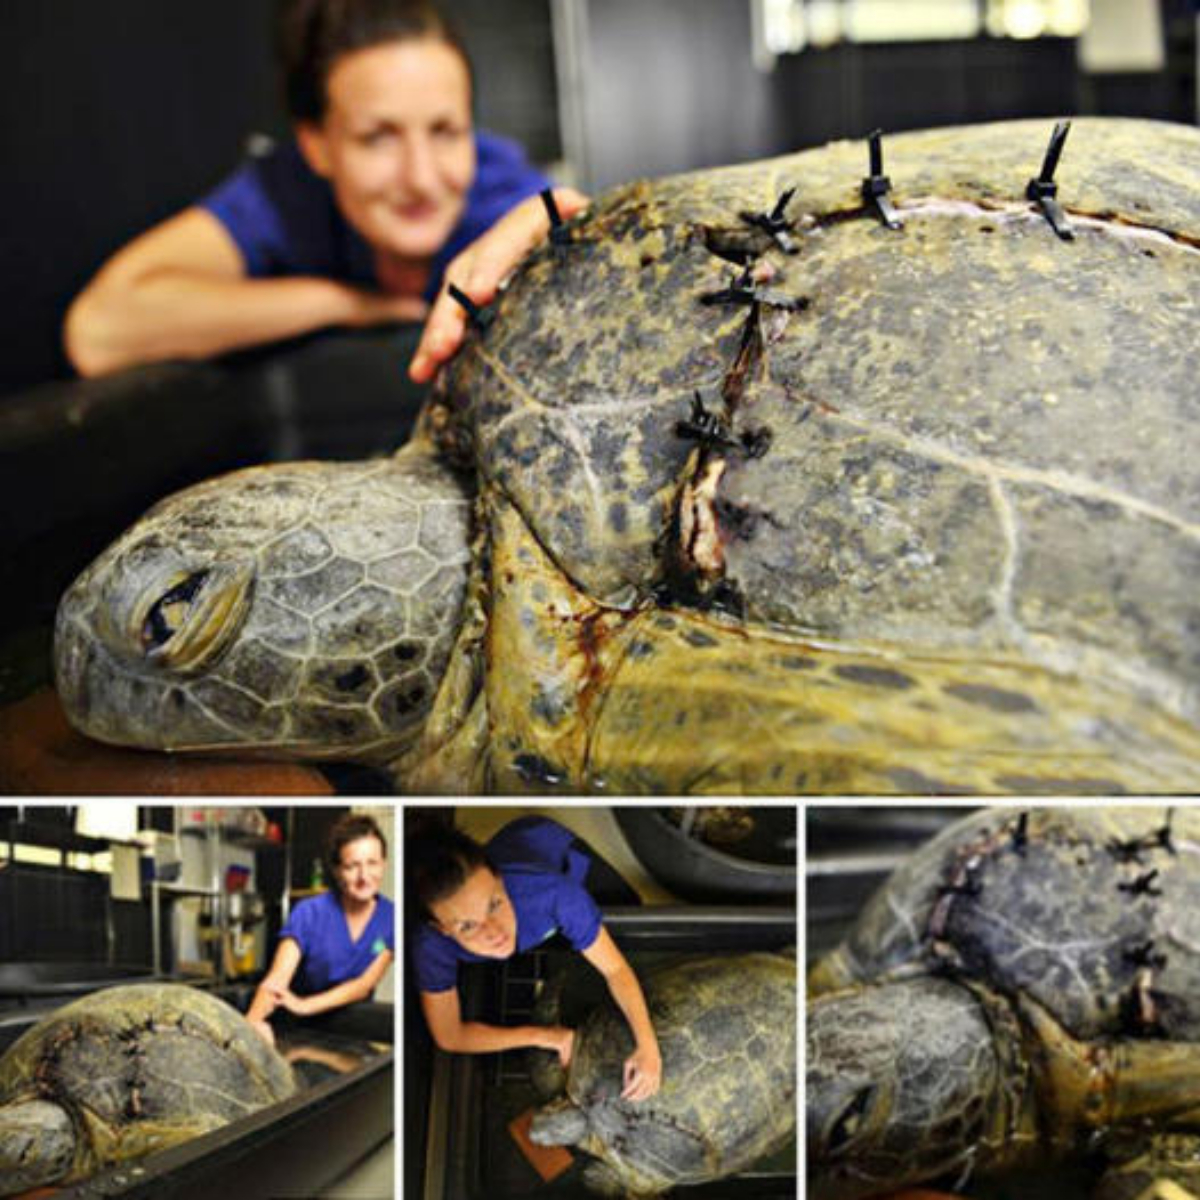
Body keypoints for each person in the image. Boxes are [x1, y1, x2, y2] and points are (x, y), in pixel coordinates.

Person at [64, 0, 587, 381]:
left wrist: (558, 230)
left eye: (447, 131)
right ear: (316, 145)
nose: (422, 178)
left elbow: (581, 226)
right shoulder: (282, 196)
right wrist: (346, 303)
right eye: (377, 138)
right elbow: (100, 331)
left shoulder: (504, 192)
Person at [408, 816, 662, 1102]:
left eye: (494, 904)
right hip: (533, 903)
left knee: (626, 912)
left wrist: (647, 1046)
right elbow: (450, 1036)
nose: (494, 932)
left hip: (549, 852)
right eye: (468, 926)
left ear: (499, 880)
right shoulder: (430, 946)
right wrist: (546, 1036)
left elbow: (615, 969)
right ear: (441, 929)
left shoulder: (555, 894)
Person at [248, 812, 394, 1046]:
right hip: (299, 1028)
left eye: (372, 863)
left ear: (384, 863)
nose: (364, 876)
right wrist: (251, 1026)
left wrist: (305, 1005)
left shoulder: (392, 918)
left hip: (354, 1029)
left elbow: (364, 985)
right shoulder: (308, 913)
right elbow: (277, 979)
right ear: (337, 871)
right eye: (352, 866)